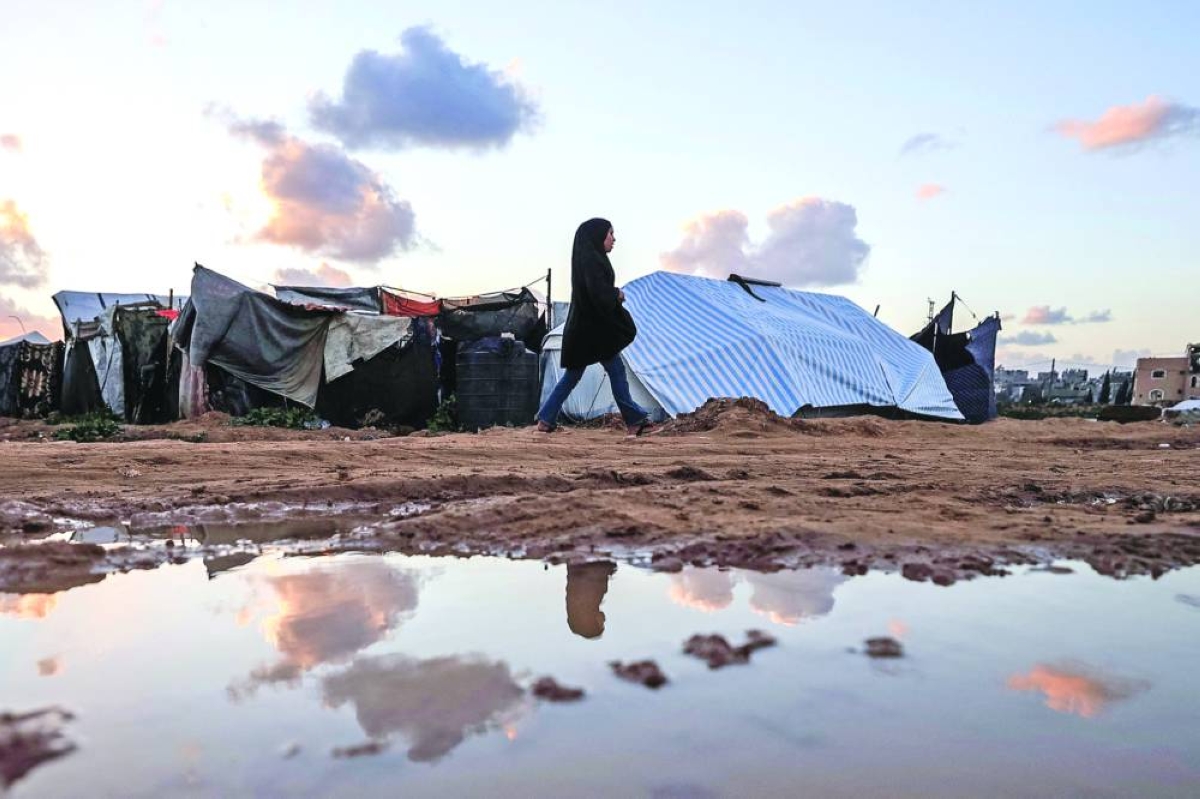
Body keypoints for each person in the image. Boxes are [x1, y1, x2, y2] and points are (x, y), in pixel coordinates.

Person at [536, 217, 659, 436]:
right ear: (598, 236)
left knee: (573, 376)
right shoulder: (593, 262)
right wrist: (616, 294)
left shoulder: (588, 260)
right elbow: (598, 294)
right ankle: (635, 420)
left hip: (585, 332)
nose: (614, 239)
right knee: (615, 371)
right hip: (593, 334)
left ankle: (546, 419)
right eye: (610, 234)